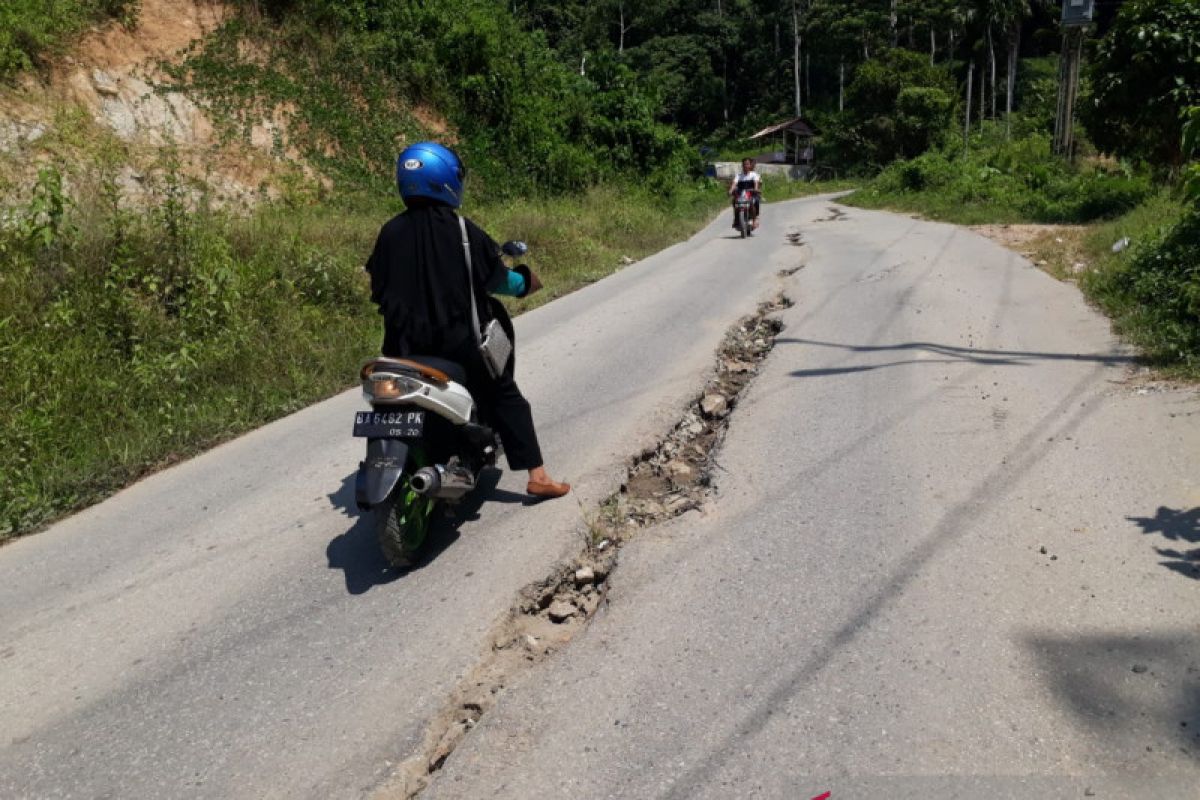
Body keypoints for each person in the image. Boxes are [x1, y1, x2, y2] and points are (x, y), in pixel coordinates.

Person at [364, 141, 570, 499]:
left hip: (401, 353)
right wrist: (524, 283)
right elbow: (497, 279)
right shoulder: (461, 230)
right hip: (459, 349)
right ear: (445, 179)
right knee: (506, 393)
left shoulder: (388, 233)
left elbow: (378, 290)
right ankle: (537, 475)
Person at [728, 157, 762, 229]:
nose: (746, 166)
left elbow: (756, 183)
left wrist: (755, 189)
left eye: (747, 164)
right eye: (744, 164)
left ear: (750, 165)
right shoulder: (739, 175)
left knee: (754, 202)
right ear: (742, 166)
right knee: (735, 201)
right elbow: (734, 183)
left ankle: (754, 219)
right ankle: (736, 219)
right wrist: (731, 190)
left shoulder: (754, 175)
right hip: (741, 194)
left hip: (751, 193)